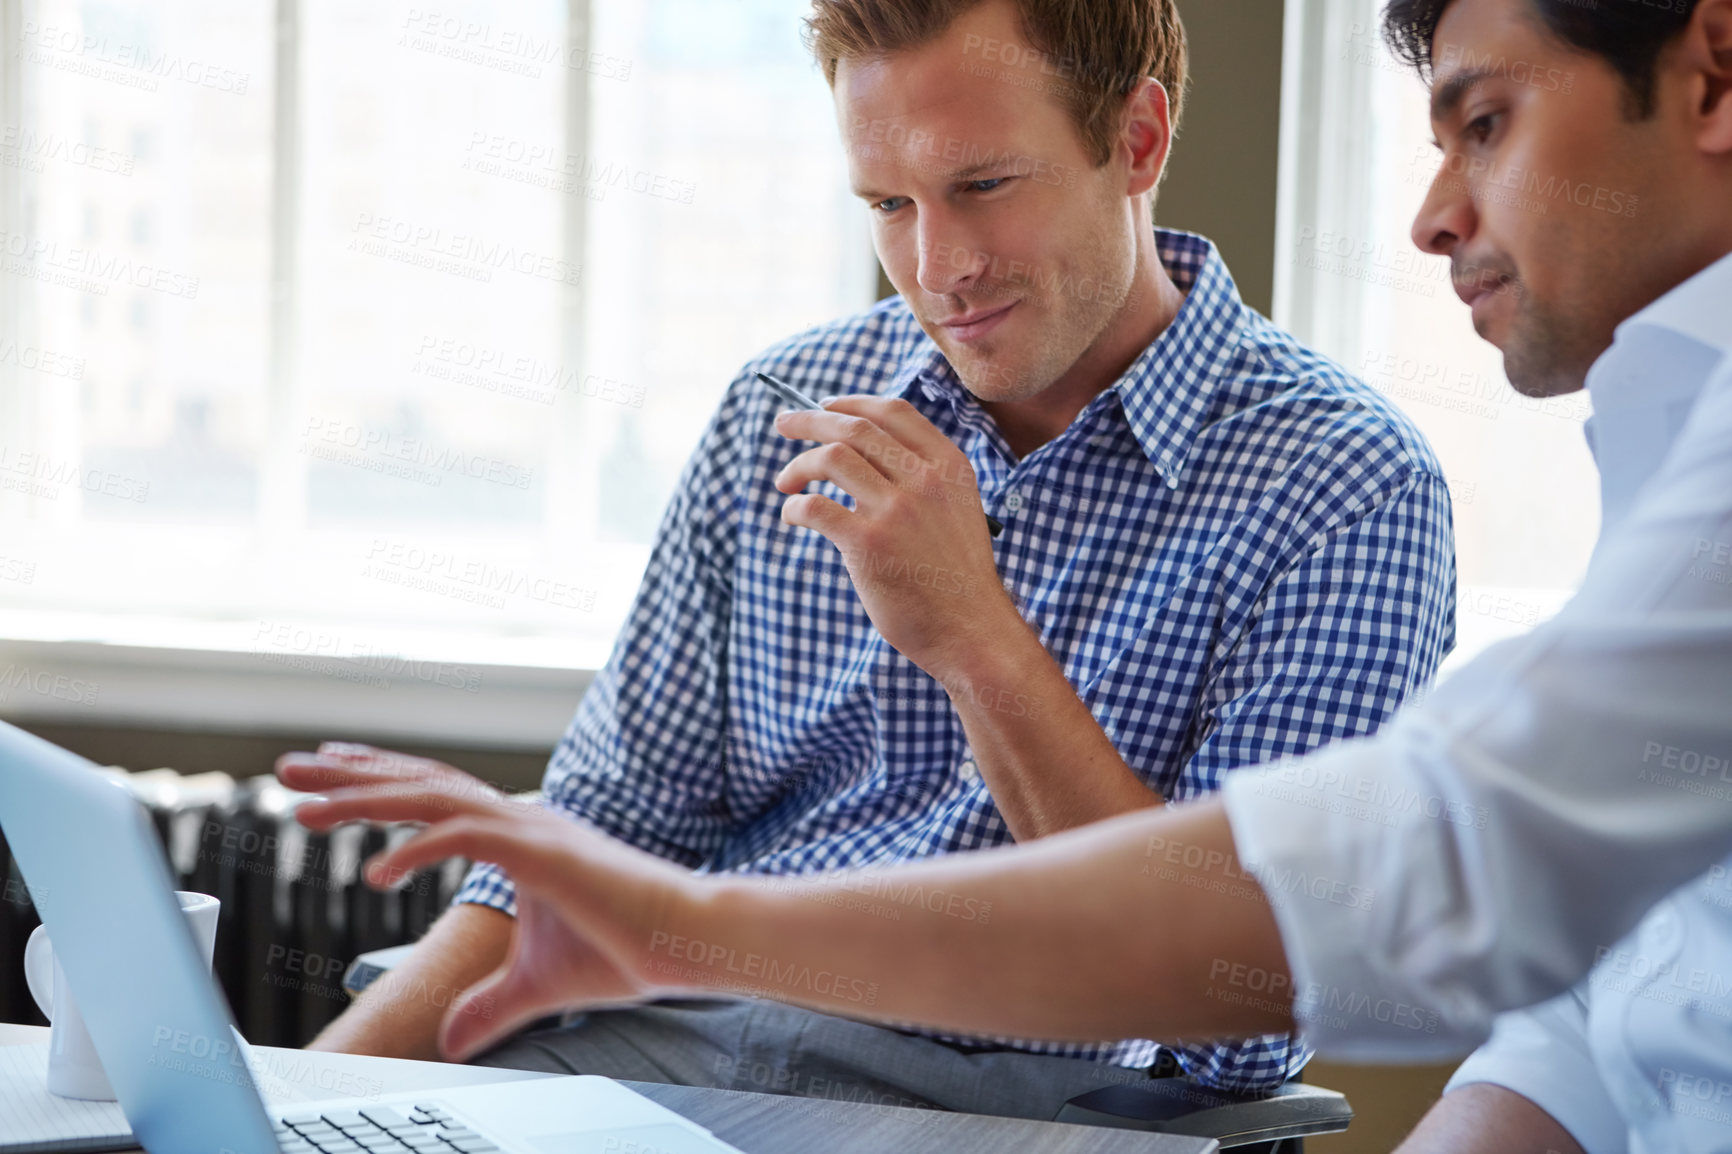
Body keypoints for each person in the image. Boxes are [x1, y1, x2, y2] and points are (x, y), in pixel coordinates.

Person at [284, 0, 1732, 1146]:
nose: (940, 263)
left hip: (1000, 1110)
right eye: (889, 203)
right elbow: (596, 827)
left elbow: (1252, 997)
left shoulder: (1340, 481)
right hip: (646, 1057)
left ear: (1141, 134)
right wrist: (292, 1110)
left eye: (983, 185)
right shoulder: (781, 409)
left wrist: (974, 634)